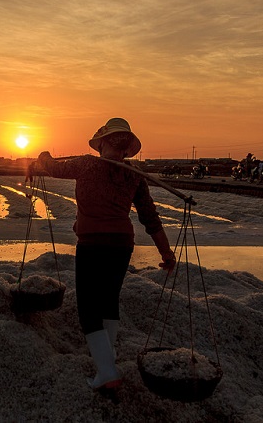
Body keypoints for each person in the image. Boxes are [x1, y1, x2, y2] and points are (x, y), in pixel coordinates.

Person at [33, 117, 176, 391]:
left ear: (102, 143)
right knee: (109, 300)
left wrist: (43, 156)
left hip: (93, 243)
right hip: (122, 244)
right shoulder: (134, 174)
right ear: (125, 148)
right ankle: (105, 361)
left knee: (88, 308)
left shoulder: (86, 163)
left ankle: (108, 373)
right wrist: (166, 253)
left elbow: (53, 168)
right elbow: (150, 219)